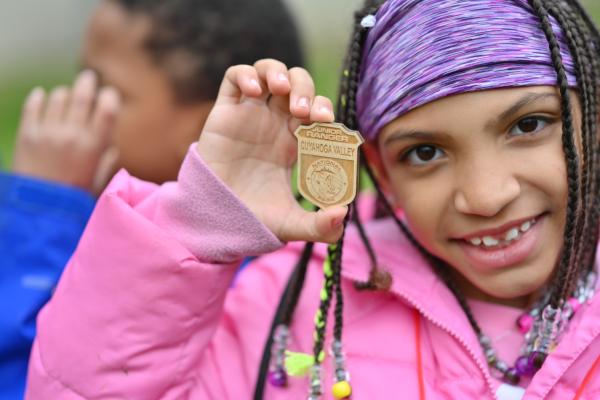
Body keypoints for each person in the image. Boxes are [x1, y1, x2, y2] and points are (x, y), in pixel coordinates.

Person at [24, 0, 600, 399]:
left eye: (529, 125)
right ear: (380, 171)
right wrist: (196, 229)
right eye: (424, 153)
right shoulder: (289, 307)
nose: (486, 195)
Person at [1, 0, 303, 398]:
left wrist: (44, 213)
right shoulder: (85, 212)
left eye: (105, 90)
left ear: (209, 126)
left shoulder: (257, 294)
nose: (75, 103)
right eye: (80, 79)